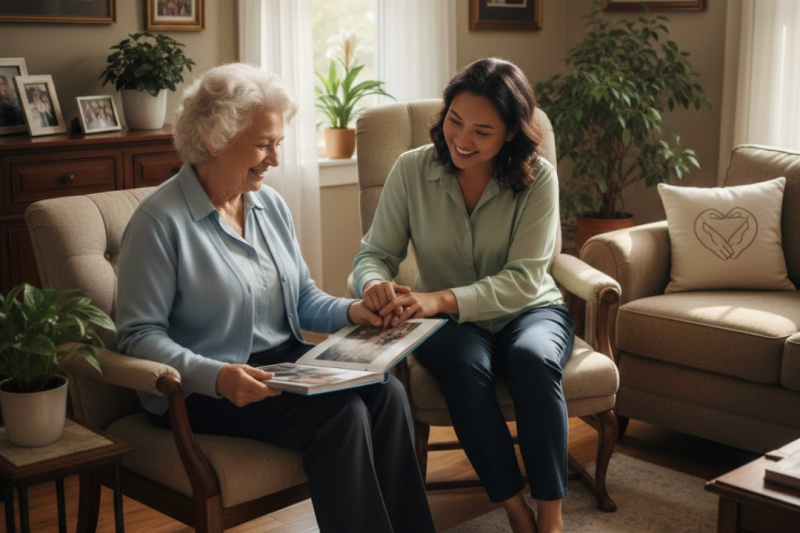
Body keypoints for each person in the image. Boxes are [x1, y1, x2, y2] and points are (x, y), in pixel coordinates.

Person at [115, 63, 436, 533]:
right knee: (343, 415)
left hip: (285, 367)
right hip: (204, 387)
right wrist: (219, 376)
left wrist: (354, 311)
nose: (275, 159)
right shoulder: (159, 222)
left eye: (278, 144)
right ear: (214, 139)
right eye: (264, 144)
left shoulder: (269, 205)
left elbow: (301, 297)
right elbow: (138, 337)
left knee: (387, 393)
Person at [352, 57, 573, 533]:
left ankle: (551, 517)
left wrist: (439, 299)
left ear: (511, 133)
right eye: (455, 121)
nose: (462, 140)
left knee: (535, 361)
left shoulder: (540, 179)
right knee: (465, 366)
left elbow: (525, 279)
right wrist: (373, 284)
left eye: (482, 131)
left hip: (530, 309)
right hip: (449, 324)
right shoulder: (411, 170)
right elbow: (374, 253)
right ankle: (516, 511)